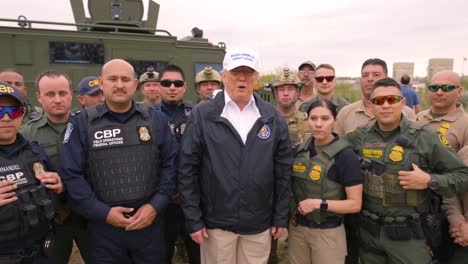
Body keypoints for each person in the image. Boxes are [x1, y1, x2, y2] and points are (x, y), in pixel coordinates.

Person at [178, 48, 293, 264]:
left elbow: (283, 171)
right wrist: (194, 219)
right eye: (235, 72)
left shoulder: (271, 117)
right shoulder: (203, 115)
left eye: (248, 72)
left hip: (258, 225)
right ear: (223, 76)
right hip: (217, 225)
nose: (242, 78)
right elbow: (187, 170)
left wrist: (280, 216)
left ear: (256, 78)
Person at [60, 59, 177, 263]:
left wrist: (155, 206)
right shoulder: (81, 123)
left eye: (125, 79)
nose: (119, 84)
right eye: (113, 79)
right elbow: (72, 174)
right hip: (104, 230)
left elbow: (171, 165)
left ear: (134, 83)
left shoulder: (156, 119)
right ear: (101, 82)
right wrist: (102, 213)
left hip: (149, 225)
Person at [344, 77, 468, 264]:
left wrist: (429, 180)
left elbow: (462, 176)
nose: (385, 105)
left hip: (409, 237)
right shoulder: (359, 136)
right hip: (369, 233)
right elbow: (329, 153)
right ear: (371, 105)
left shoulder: (426, 137)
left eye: (392, 99)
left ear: (403, 102)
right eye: (379, 101)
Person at [20, 70, 89, 264]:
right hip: (52, 220)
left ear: (71, 95)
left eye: (63, 93)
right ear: (39, 97)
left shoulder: (88, 127)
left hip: (89, 217)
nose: (57, 99)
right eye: (50, 94)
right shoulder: (26, 134)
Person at [289, 99, 363, 264]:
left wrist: (319, 204)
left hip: (328, 232)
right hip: (298, 230)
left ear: (335, 122)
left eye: (325, 118)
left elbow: (355, 204)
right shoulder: (299, 151)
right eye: (313, 118)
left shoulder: (345, 156)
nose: (318, 124)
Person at [0, 82, 63, 263]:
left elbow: (53, 189)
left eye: (13, 111)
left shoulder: (35, 151)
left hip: (40, 253)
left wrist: (58, 186)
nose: (6, 118)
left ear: (23, 115)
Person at [416, 70, 468, 263]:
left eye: (446, 88)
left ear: (459, 90)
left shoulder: (465, 123)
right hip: (419, 204)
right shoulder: (419, 119)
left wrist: (459, 221)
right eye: (434, 87)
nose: (439, 92)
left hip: (450, 207)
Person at [154, 64, 198, 263]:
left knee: (198, 252)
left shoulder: (198, 114)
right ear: (158, 86)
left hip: (193, 198)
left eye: (177, 83)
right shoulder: (147, 115)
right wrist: (165, 191)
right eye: (166, 83)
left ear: (185, 86)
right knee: (162, 253)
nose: (172, 87)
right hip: (162, 200)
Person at [335, 58, 416, 136]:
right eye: (365, 75)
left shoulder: (407, 113)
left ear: (386, 79)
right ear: (360, 80)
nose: (370, 79)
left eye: (376, 75)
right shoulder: (346, 113)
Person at [272, 67, 308, 148]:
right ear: (275, 94)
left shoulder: (306, 122)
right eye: (281, 89)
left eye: (290, 89)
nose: (286, 93)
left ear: (297, 93)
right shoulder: (266, 120)